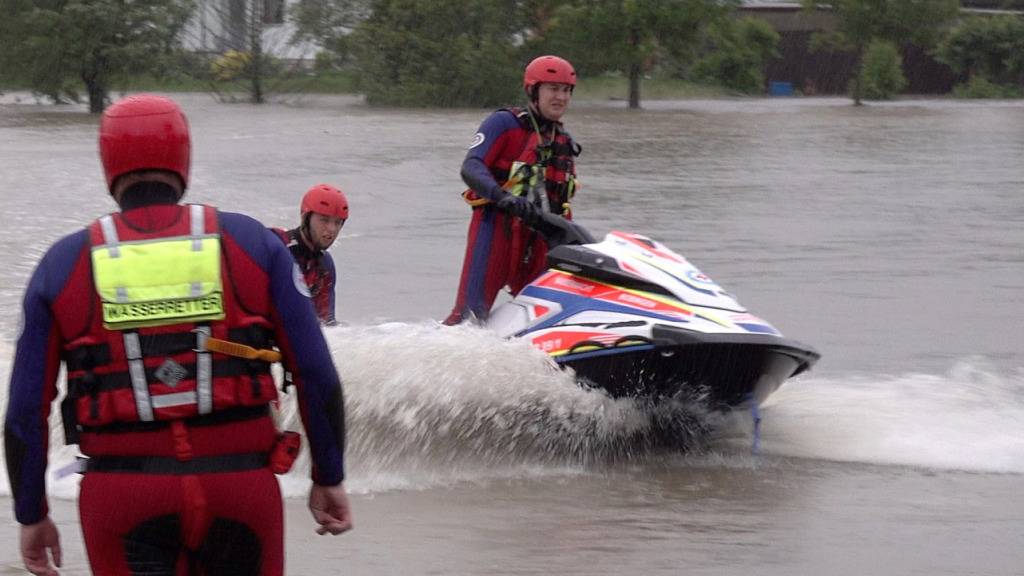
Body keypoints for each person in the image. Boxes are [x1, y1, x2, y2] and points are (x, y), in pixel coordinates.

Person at [4, 94, 352, 576]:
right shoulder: (255, 244)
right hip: (241, 488)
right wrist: (328, 476)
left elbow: (24, 411)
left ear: (108, 162)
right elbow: (316, 373)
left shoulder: (62, 263)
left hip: (122, 499)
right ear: (183, 157)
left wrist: (31, 512)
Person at [444, 55, 581, 326]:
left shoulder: (563, 141)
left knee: (549, 317)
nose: (561, 97)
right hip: (497, 230)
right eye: (553, 89)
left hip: (542, 240)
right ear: (533, 90)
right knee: (469, 319)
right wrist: (502, 197)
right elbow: (471, 166)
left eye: (566, 90)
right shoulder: (504, 124)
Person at [274, 184, 348, 325]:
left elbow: (327, 323)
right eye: (324, 220)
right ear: (305, 217)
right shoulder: (277, 244)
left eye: (337, 222)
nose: (332, 229)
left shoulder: (325, 265)